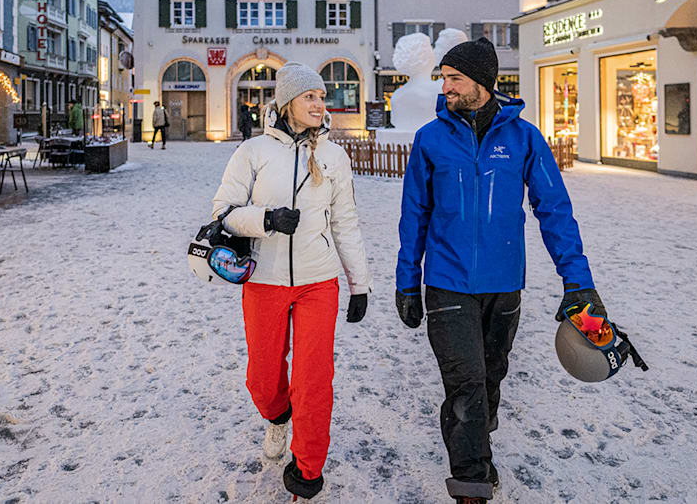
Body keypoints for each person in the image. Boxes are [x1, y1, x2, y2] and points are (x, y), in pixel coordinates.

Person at [394, 38, 608, 504]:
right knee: (465, 384)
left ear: (482, 84)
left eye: (454, 78)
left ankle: (476, 432)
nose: (445, 86)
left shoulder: (524, 139)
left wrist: (579, 281)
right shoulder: (430, 139)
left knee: (490, 378)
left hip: (504, 285)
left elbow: (554, 210)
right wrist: (407, 282)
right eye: (444, 77)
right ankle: (472, 484)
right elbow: (415, 217)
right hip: (447, 284)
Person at [211, 61, 371, 501]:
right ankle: (278, 416)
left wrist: (359, 284)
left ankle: (308, 469)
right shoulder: (253, 152)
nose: (321, 104)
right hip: (264, 279)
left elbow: (346, 222)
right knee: (263, 379)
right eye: (310, 97)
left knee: (315, 377)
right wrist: (266, 219)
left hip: (319, 282)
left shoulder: (334, 157)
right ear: (287, 103)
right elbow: (221, 212)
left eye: (322, 97)